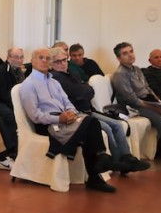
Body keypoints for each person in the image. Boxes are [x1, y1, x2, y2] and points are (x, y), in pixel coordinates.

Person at [20, 49, 117, 192]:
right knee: (90, 122)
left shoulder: (53, 82)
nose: (45, 61)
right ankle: (98, 167)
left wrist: (72, 112)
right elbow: (35, 116)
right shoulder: (29, 85)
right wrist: (59, 118)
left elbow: (67, 102)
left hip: (64, 120)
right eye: (41, 58)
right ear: (33, 61)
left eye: (48, 59)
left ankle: (97, 169)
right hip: (48, 125)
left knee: (89, 124)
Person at [48, 46, 149, 174]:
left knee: (117, 124)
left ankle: (127, 157)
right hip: (78, 113)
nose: (63, 64)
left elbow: (90, 91)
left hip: (88, 109)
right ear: (51, 64)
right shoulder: (56, 78)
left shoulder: (71, 73)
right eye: (58, 62)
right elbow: (79, 91)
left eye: (64, 60)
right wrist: (84, 90)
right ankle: (117, 162)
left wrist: (83, 90)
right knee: (106, 127)